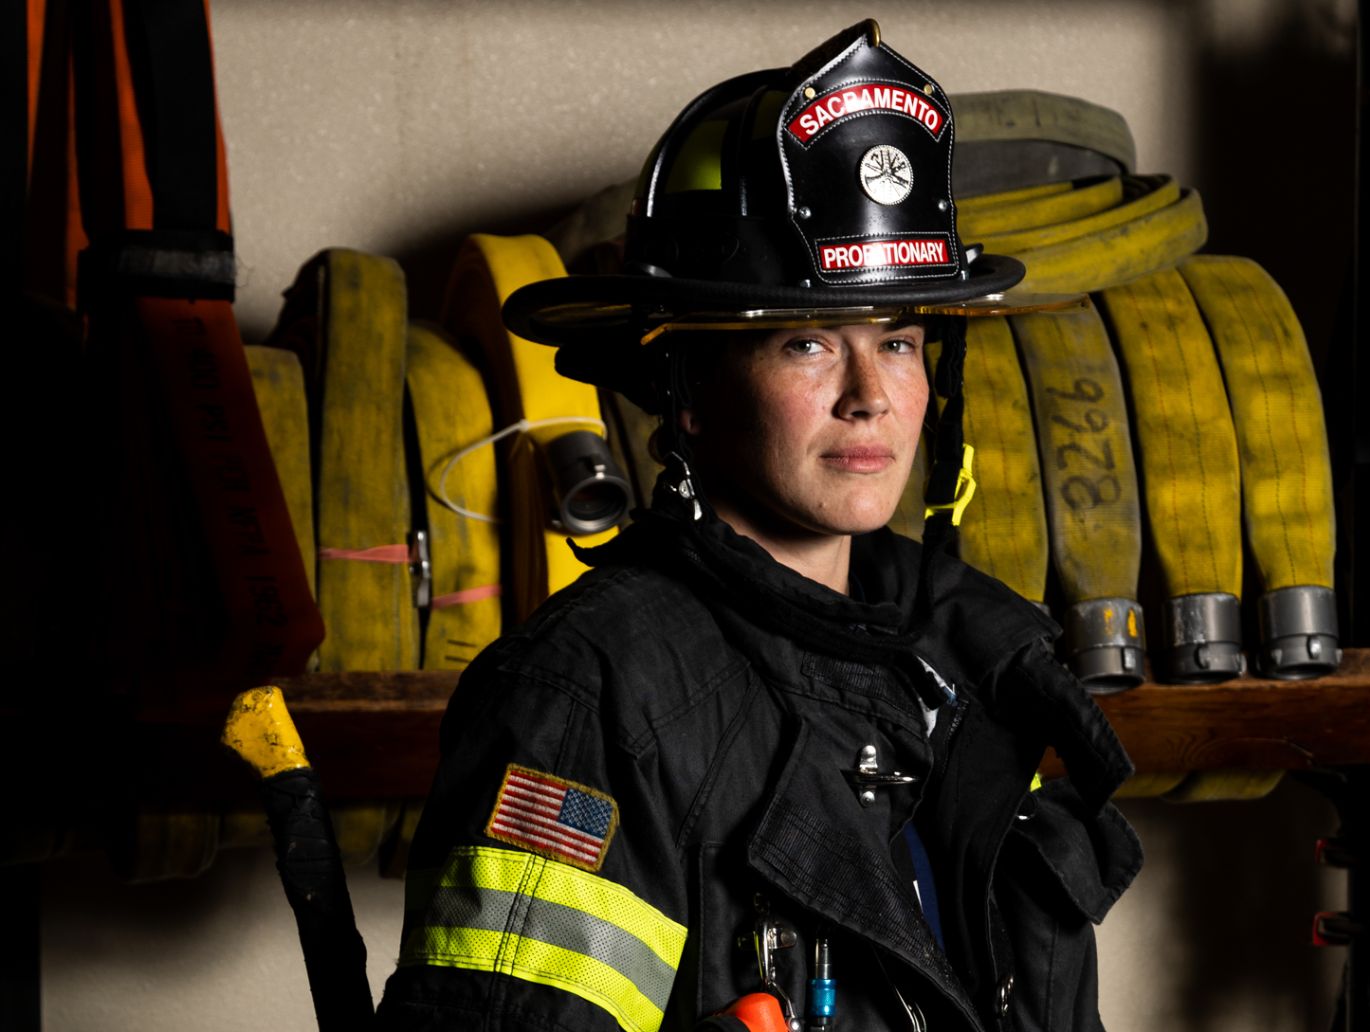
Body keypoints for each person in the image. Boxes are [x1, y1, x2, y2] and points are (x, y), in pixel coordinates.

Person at [376, 21, 1140, 1032]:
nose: (870, 396)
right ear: (687, 388)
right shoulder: (594, 697)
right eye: (807, 343)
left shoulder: (971, 663)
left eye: (901, 341)